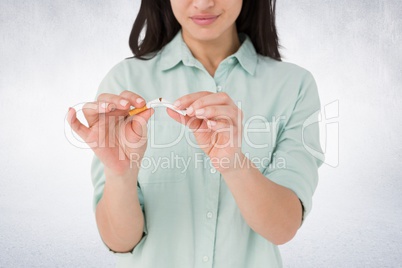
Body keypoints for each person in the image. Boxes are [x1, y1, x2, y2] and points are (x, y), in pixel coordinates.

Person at [67, 0, 323, 267]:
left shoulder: (294, 86)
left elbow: (283, 228)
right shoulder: (124, 82)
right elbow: (119, 242)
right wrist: (121, 175)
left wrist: (234, 163)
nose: (203, 3)